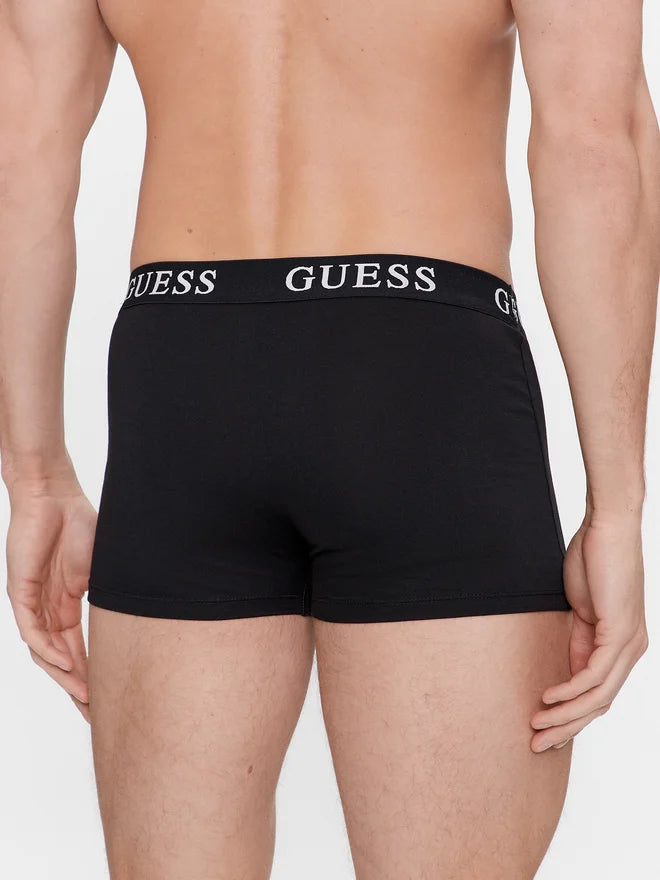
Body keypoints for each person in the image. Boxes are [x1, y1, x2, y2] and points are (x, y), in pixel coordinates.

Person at [0, 0, 658, 877]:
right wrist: (617, 505)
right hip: (420, 370)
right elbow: (595, 145)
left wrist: (35, 476)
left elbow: (20, 155)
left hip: (184, 368)